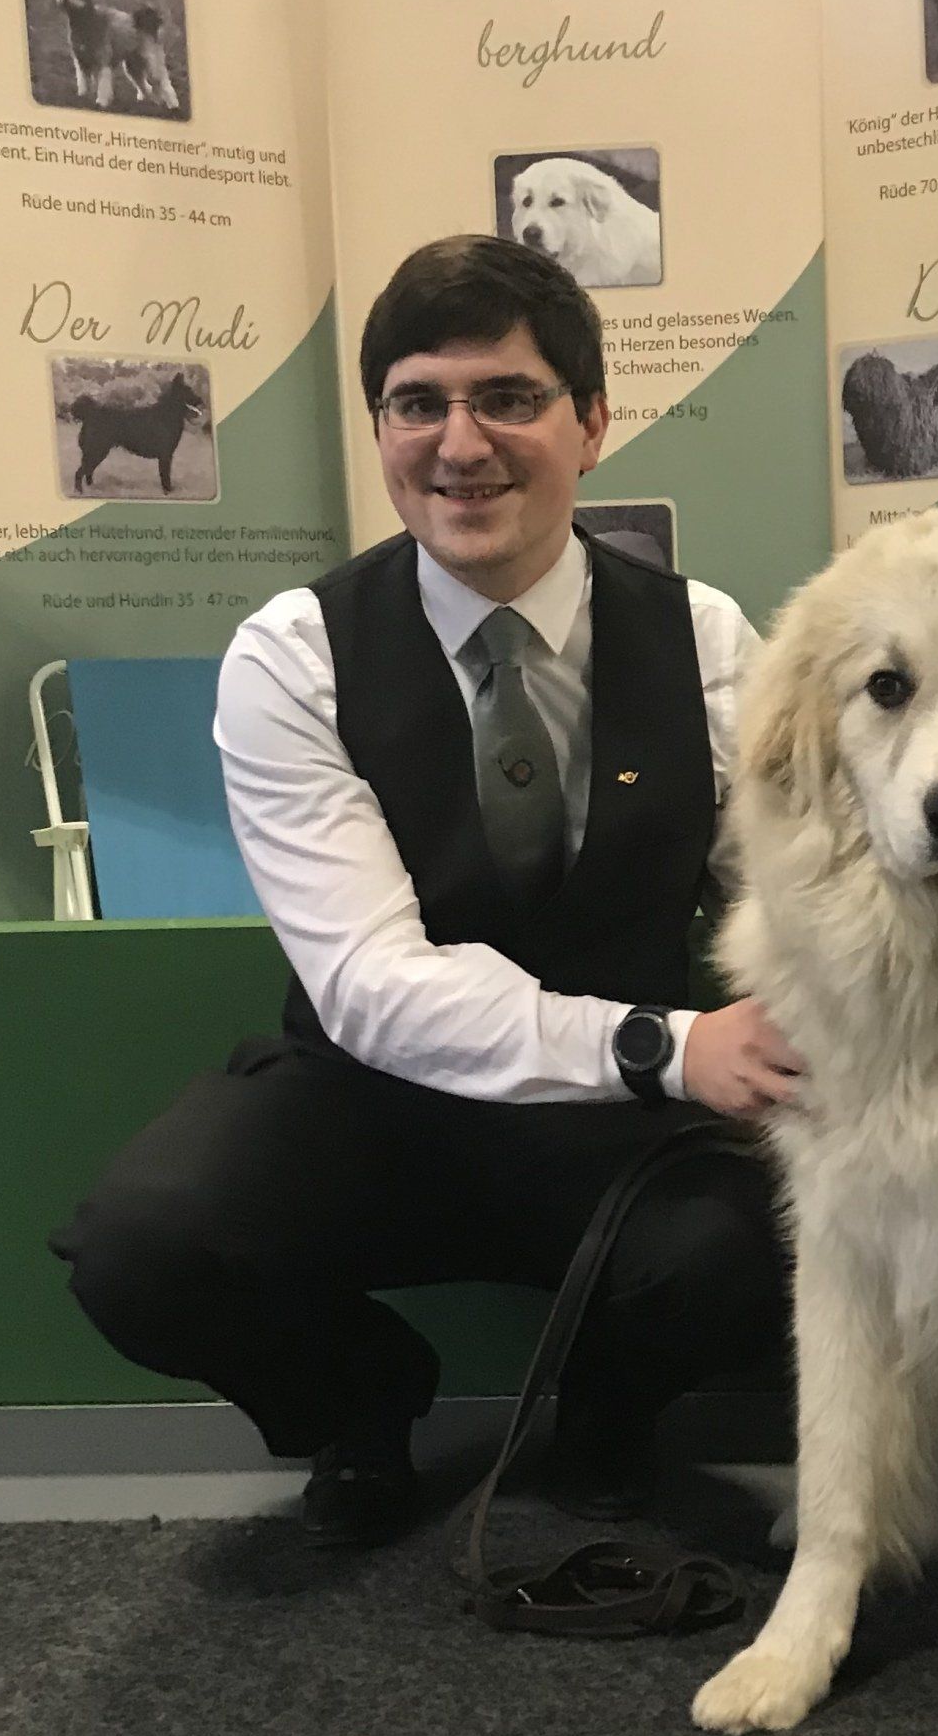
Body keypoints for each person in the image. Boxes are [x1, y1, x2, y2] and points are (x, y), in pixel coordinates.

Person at [51, 235, 804, 1545]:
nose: (460, 445)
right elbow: (371, 987)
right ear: (382, 431)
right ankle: (364, 1397)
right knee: (144, 1251)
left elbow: (788, 903)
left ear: (591, 423)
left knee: (763, 1238)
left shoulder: (711, 640)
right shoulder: (291, 657)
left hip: (613, 1128)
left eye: (507, 397)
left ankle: (605, 1414)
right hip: (372, 1105)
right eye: (418, 403)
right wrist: (671, 1044)